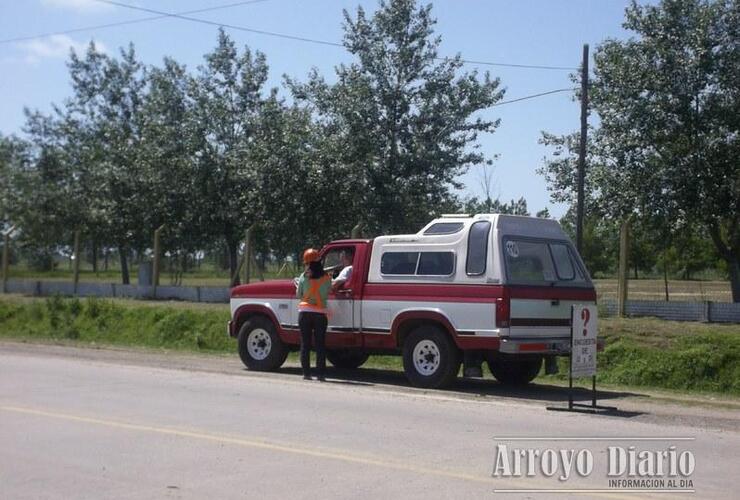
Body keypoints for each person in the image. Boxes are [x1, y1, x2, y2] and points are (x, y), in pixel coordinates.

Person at [296, 248, 331, 381]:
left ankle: (306, 373)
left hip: (304, 313)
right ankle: (321, 374)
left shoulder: (303, 277)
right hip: (320, 314)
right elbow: (329, 291)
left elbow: (298, 295)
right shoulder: (326, 278)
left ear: (307, 263)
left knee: (305, 344)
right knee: (320, 345)